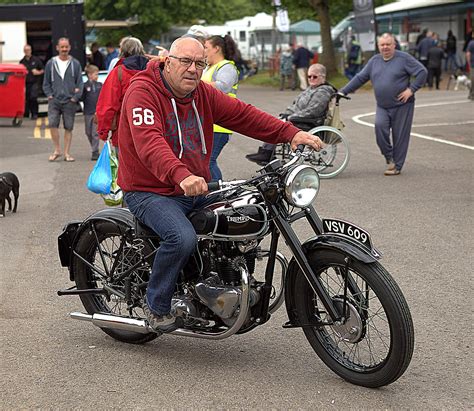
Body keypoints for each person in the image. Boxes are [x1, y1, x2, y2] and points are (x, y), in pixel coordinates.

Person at [117, 37, 323, 333]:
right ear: (168, 61)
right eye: (186, 62)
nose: (193, 69)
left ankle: (219, 285)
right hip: (150, 189)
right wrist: (181, 174)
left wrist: (290, 133)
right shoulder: (142, 91)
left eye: (200, 63)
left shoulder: (201, 93)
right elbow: (149, 141)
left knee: (244, 216)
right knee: (181, 238)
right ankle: (157, 306)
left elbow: (242, 115)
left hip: (195, 185)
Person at [340, 33, 427, 176]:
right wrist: (343, 91)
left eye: (388, 44)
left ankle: (397, 166)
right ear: (378, 46)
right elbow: (360, 77)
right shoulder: (374, 61)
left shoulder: (403, 59)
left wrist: (411, 90)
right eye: (382, 45)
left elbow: (422, 72)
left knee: (400, 136)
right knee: (380, 128)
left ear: (394, 45)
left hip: (402, 105)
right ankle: (389, 157)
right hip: (383, 105)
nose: (385, 47)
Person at [246, 63, 334, 165]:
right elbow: (295, 105)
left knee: (280, 126)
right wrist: (286, 114)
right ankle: (266, 152)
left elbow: (313, 111)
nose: (311, 79)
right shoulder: (311, 89)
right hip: (299, 118)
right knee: (275, 121)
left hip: (310, 121)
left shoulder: (323, 92)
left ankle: (267, 153)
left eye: (315, 76)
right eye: (309, 76)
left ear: (323, 77)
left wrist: (290, 117)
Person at [96, 37, 148, 150]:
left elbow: (107, 104)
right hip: (150, 132)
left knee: (124, 166)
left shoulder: (118, 72)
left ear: (122, 51)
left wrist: (103, 132)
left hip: (123, 132)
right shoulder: (152, 71)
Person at [202, 34, 240, 182]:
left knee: (209, 162)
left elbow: (223, 87)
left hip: (220, 125)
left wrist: (196, 85)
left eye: (206, 47)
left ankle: (219, 193)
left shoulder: (227, 67)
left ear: (216, 48)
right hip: (209, 123)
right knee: (203, 161)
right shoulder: (209, 67)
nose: (203, 50)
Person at [42, 37, 83, 162]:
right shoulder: (51, 63)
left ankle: (67, 153)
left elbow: (80, 82)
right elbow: (46, 82)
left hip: (69, 101)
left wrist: (75, 98)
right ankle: (57, 150)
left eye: (66, 47)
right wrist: (49, 95)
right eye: (62, 47)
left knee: (68, 127)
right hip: (54, 100)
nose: (64, 49)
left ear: (69, 47)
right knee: (52, 124)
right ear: (57, 48)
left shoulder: (75, 63)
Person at [81, 65, 102, 160]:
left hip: (97, 112)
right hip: (88, 111)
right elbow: (82, 97)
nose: (97, 76)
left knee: (94, 132)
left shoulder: (100, 85)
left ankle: (95, 151)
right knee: (88, 132)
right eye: (95, 74)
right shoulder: (84, 86)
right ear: (89, 75)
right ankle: (94, 147)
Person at [19, 44, 44, 120]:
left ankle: (35, 113)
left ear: (31, 50)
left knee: (33, 97)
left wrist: (38, 72)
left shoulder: (36, 60)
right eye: (26, 50)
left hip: (34, 82)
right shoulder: (22, 62)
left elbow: (43, 69)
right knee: (27, 98)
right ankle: (26, 114)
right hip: (25, 83)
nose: (27, 52)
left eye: (28, 50)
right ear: (24, 51)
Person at [466, 32, 474, 101]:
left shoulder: (471, 43)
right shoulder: (471, 43)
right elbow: (468, 54)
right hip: (473, 64)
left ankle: (471, 94)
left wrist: (469, 63)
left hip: (472, 64)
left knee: (473, 79)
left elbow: (468, 54)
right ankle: (471, 94)